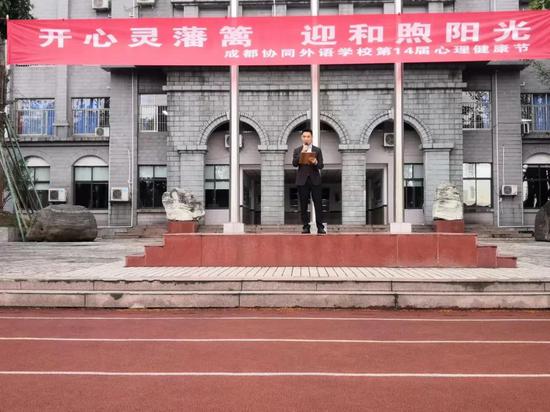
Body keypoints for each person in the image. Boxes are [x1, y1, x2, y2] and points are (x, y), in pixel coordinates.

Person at [292, 128, 326, 234]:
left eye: (308, 136)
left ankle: (320, 227)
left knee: (318, 204)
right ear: (301, 138)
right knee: (303, 205)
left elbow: (321, 165)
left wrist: (316, 162)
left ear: (311, 138)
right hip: (302, 181)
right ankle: (306, 226)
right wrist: (302, 153)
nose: (306, 138)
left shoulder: (317, 150)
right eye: (304, 136)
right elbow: (294, 164)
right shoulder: (297, 150)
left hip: (315, 180)